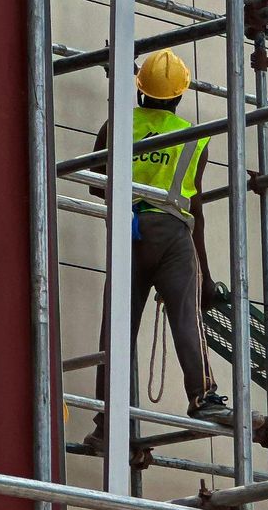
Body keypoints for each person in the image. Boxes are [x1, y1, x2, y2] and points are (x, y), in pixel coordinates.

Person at [85, 48, 229, 456]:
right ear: (180, 95)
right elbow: (195, 206)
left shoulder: (116, 125)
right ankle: (204, 399)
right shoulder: (194, 136)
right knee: (186, 318)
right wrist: (204, 269)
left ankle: (108, 422)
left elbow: (95, 185)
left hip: (129, 231)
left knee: (116, 332)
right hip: (174, 233)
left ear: (140, 88)